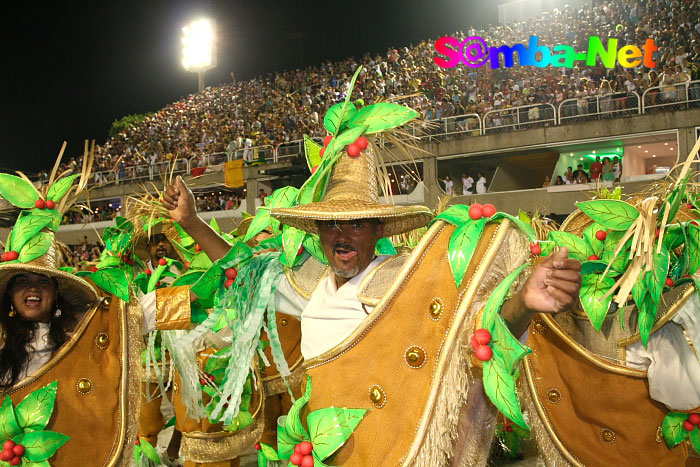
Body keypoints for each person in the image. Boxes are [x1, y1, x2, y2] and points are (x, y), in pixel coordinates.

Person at [161, 138, 581, 465]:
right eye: (332, 226)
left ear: (378, 228)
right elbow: (247, 269)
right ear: (320, 234)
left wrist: (524, 302)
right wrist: (192, 222)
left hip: (393, 450)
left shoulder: (403, 280)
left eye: (356, 224)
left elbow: (474, 330)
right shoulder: (308, 283)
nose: (342, 236)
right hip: (328, 451)